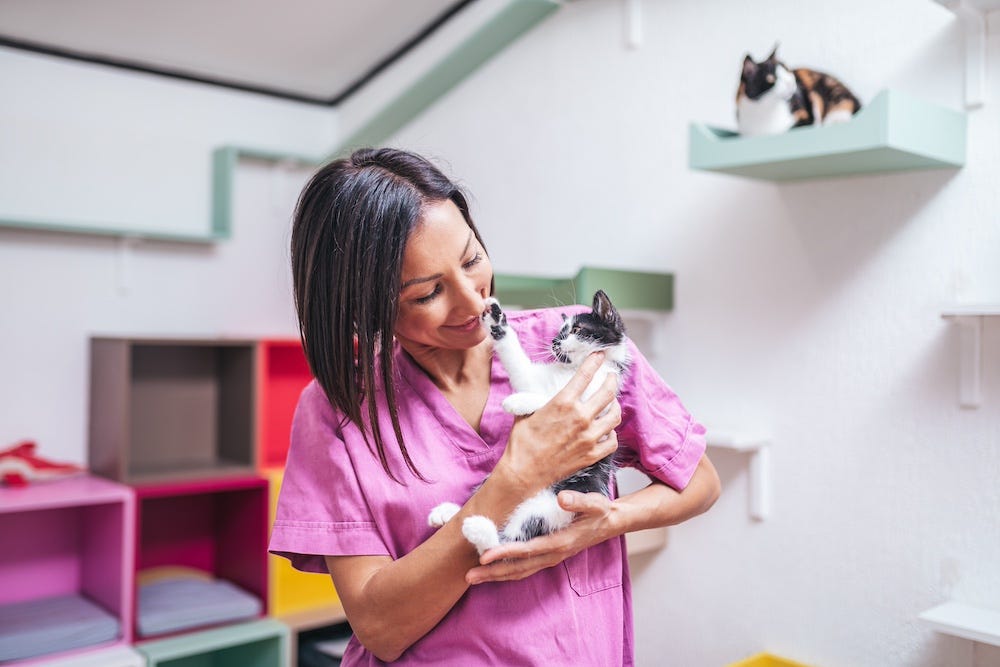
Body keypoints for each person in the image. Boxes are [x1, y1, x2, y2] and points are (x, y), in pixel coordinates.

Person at [269, 147, 721, 666]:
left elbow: (700, 481)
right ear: (364, 305)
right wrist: (516, 478)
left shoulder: (578, 346)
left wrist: (602, 524)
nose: (472, 302)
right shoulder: (338, 409)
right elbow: (380, 627)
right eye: (428, 293)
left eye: (471, 259)